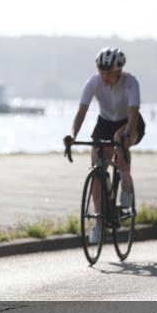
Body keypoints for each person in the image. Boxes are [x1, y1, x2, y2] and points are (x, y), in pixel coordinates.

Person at [63, 47, 145, 245]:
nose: (104, 76)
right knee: (96, 169)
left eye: (108, 72)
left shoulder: (131, 82)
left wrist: (126, 136)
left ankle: (126, 185)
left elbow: (133, 114)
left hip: (129, 122)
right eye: (101, 71)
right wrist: (72, 135)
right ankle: (99, 222)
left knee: (119, 138)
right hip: (105, 123)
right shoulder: (93, 82)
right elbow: (81, 112)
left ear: (119, 70)